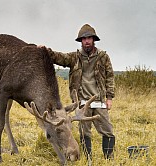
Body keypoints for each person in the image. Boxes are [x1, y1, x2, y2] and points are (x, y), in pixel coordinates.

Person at [42, 24, 115, 160]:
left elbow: (110, 77)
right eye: (84, 39)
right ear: (81, 41)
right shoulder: (74, 58)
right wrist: (45, 51)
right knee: (84, 133)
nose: (86, 41)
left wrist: (109, 97)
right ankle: (88, 160)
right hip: (81, 103)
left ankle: (109, 159)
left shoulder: (103, 57)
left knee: (108, 132)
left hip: (99, 101)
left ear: (94, 40)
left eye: (89, 38)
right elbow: (58, 57)